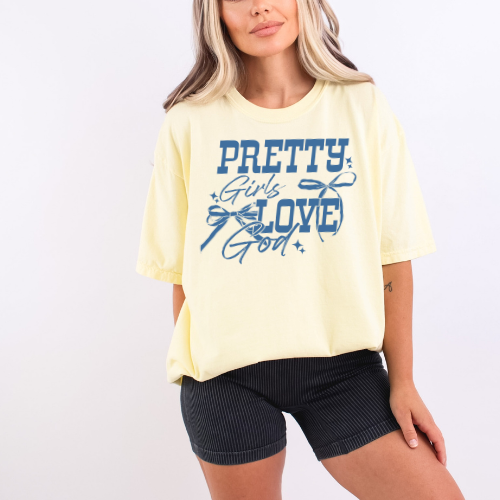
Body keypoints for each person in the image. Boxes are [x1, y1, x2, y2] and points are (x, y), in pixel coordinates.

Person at [136, 1, 464, 498]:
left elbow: (393, 256)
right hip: (226, 380)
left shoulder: (361, 107)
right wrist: (200, 370)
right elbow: (183, 274)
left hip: (343, 371)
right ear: (215, 14)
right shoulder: (189, 123)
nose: (260, 7)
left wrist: (403, 381)